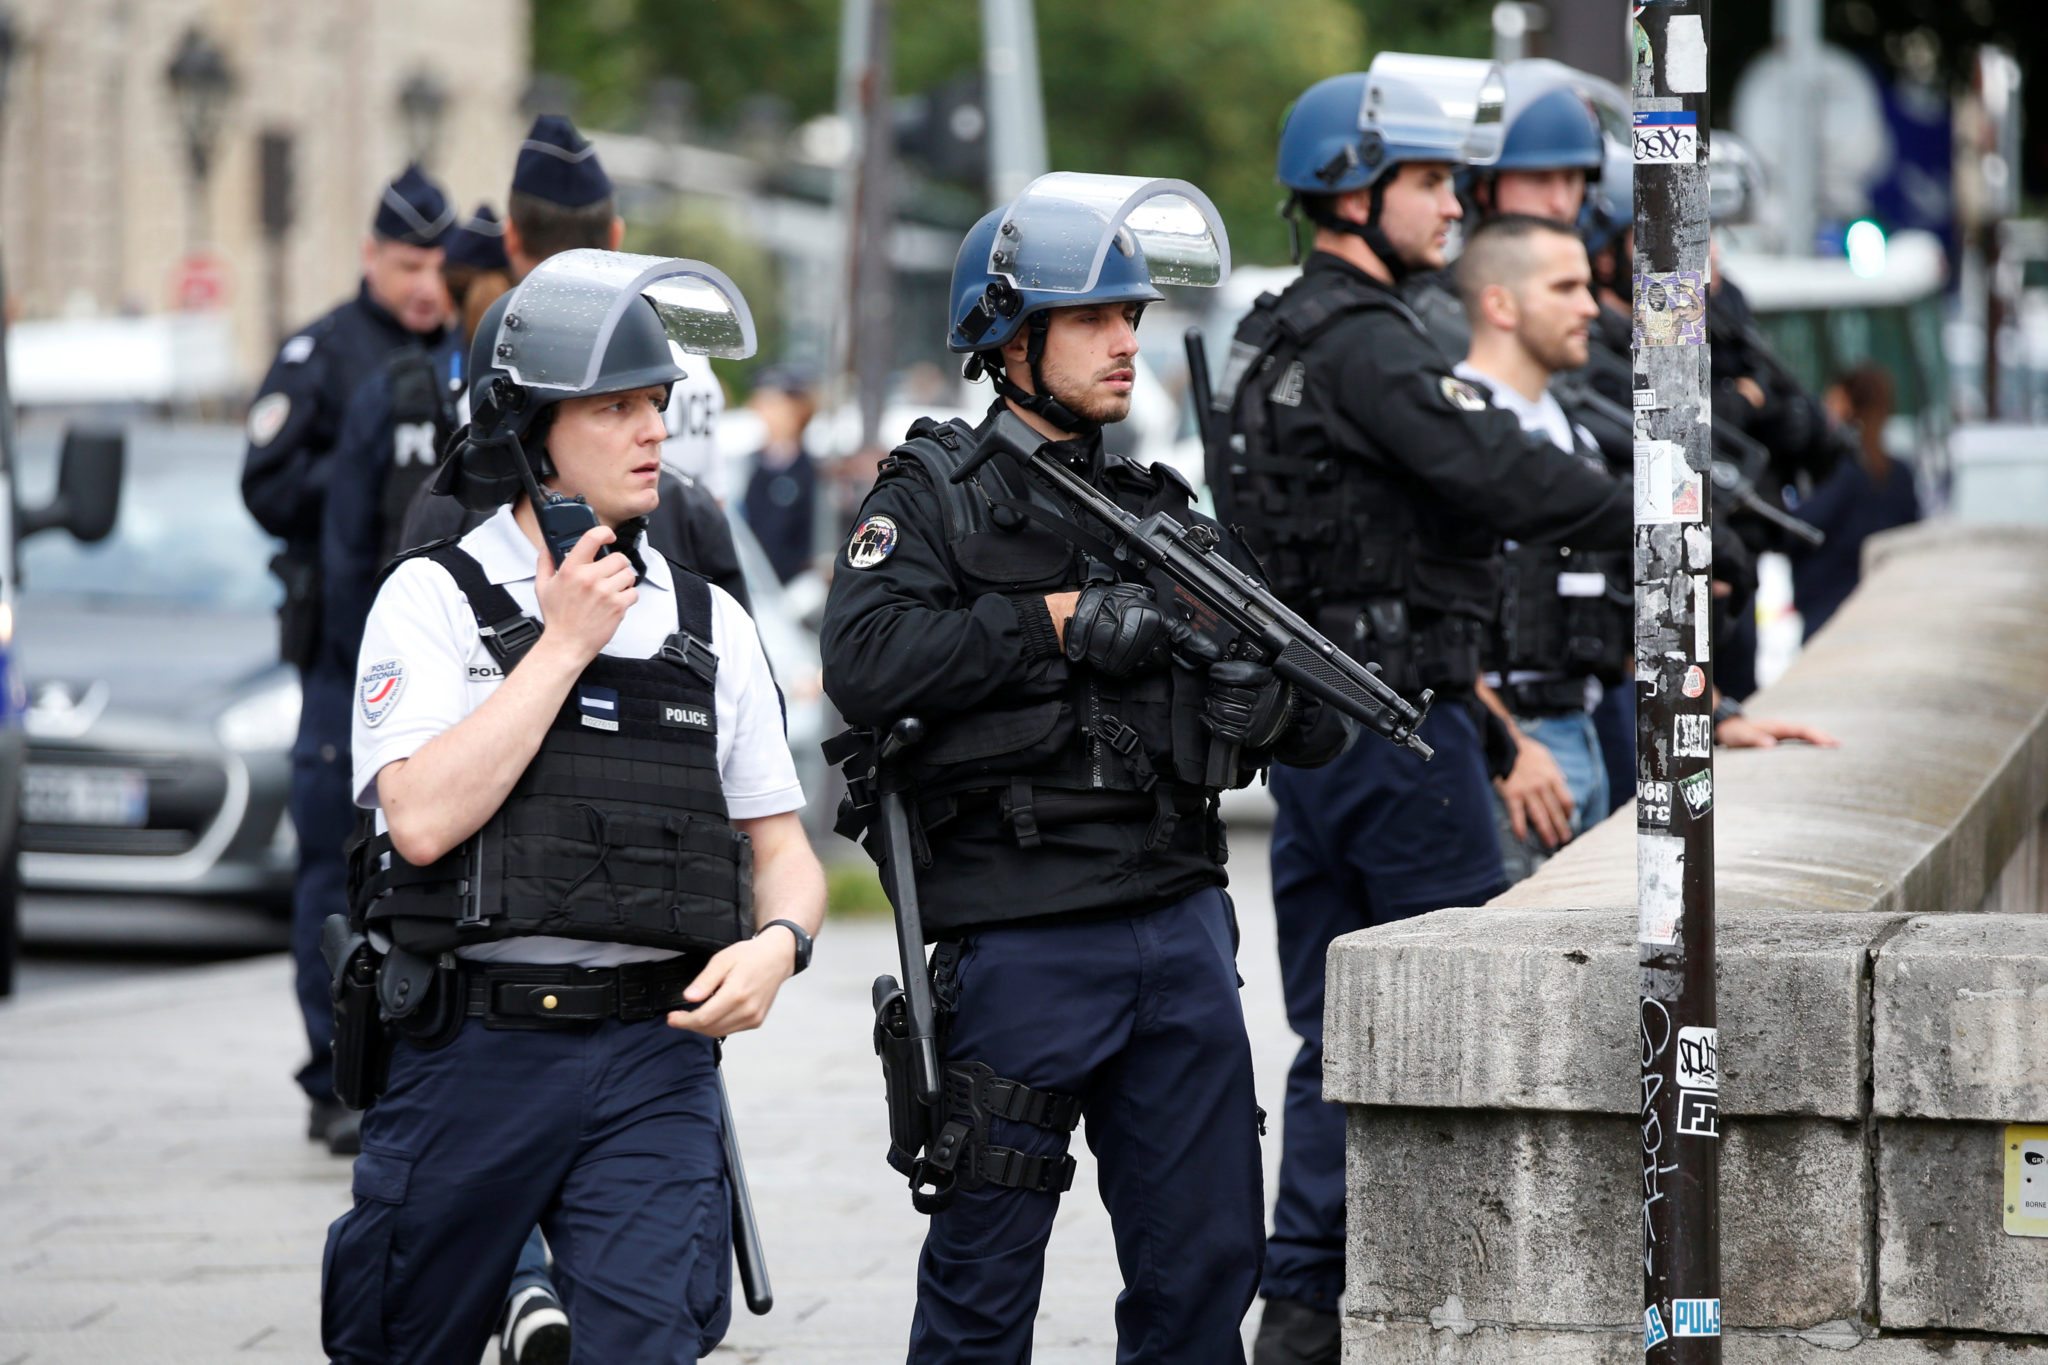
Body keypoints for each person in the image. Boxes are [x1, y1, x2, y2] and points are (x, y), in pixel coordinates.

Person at [821, 172, 1355, 1364]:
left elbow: (1320, 719)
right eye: (1095, 320)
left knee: (1205, 1269)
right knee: (982, 1277)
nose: (1126, 342)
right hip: (1019, 945)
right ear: (1011, 339)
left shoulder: (1160, 517)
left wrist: (1257, 702)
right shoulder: (935, 500)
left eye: (1134, 317)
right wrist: (1050, 624)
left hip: (1174, 930)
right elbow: (863, 659)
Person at [320, 250, 825, 1365]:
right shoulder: (432, 599)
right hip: (472, 1049)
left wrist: (781, 944)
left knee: (646, 1345)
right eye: (613, 406)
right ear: (526, 432)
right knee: (401, 1338)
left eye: (656, 400)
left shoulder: (710, 620)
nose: (654, 427)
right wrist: (563, 645)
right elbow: (418, 820)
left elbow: (782, 851)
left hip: (652, 1053)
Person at [1209, 58, 1640, 1365]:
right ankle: (1451, 1313)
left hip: (1325, 733)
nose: (1453, 202)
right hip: (1397, 731)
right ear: (1355, 192)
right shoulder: (1369, 341)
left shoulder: (1282, 331)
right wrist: (1657, 501)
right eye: (1430, 180)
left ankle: (1301, 1314)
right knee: (1457, 1020)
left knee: (1339, 1035)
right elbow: (1495, 470)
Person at [244, 163, 455, 1155]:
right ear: (371, 255)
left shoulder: (466, 352)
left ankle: (414, 1065)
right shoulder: (323, 354)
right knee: (334, 863)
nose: (425, 286)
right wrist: (370, 457)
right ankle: (333, 1077)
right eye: (407, 264)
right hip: (341, 650)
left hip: (443, 652)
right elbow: (267, 482)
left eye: (436, 267)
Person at [1453, 214, 1631, 879]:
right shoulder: (1453, 431)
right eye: (1565, 287)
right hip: (1508, 749)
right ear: (1500, 303)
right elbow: (1432, 612)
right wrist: (1510, 747)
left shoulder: (1574, 433)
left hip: (1581, 726)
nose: (1590, 306)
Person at [1405, 68, 1608, 362]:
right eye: (1539, 179)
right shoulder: (1428, 309)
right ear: (1485, 188)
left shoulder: (1595, 316)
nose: (1559, 203)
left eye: (1572, 179)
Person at [1792, 363, 1922, 637]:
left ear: (1847, 406)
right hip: (1887, 607)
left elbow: (1799, 530)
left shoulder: (1842, 472)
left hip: (1830, 612)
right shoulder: (1898, 473)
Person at [738, 365, 819, 583]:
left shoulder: (811, 471)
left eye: (773, 404)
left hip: (792, 592)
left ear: (797, 409)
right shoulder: (749, 465)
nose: (765, 412)